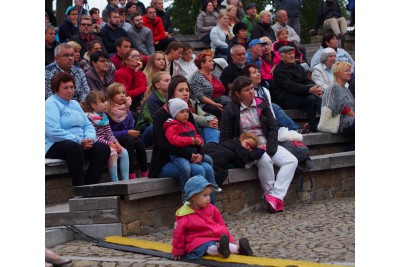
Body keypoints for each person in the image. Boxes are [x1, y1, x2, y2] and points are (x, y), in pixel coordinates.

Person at [220, 76, 298, 213]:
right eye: (246, 90)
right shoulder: (230, 109)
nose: (251, 92)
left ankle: (274, 196)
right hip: (247, 147)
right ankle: (272, 196)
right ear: (238, 94)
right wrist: (245, 147)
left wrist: (270, 147)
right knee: (266, 160)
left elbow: (273, 127)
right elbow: (226, 137)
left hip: (266, 142)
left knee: (291, 161)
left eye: (252, 88)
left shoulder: (261, 103)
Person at [148, 75, 217, 203]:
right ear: (172, 92)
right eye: (181, 90)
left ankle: (210, 210)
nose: (185, 93)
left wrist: (200, 154)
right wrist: (189, 155)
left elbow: (195, 136)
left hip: (188, 154)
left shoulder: (186, 112)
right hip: (166, 160)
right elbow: (163, 144)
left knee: (207, 166)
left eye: (187, 90)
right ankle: (193, 210)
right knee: (199, 169)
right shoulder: (161, 114)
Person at [45, 72, 111, 186]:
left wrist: (89, 138)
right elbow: (53, 132)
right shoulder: (51, 104)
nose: (70, 90)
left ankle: (90, 185)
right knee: (73, 148)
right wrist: (79, 140)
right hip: (54, 144)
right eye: (65, 88)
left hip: (80, 142)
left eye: (71, 87)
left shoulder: (75, 103)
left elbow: (87, 125)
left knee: (103, 149)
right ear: (56, 89)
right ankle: (79, 187)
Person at [172, 175, 253, 260]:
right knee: (207, 246)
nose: (208, 199)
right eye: (205, 195)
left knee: (224, 243)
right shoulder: (185, 215)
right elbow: (178, 235)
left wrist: (229, 239)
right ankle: (219, 250)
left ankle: (239, 249)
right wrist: (178, 251)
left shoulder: (212, 208)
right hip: (197, 241)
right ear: (193, 197)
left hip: (215, 236)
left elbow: (221, 224)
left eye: (209, 195)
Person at [164, 98, 221, 192]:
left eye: (187, 111)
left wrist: (199, 140)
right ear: (174, 114)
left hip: (192, 152)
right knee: (185, 168)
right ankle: (185, 191)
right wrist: (190, 140)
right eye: (181, 112)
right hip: (179, 155)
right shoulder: (171, 127)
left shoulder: (189, 124)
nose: (186, 114)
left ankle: (213, 183)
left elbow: (196, 134)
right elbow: (174, 140)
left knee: (209, 159)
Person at [243, 63, 309, 133]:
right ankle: (295, 129)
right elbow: (253, 107)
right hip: (253, 119)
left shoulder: (264, 90)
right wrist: (265, 105)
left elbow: (268, 108)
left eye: (258, 72)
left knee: (273, 106)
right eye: (254, 73)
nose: (258, 74)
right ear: (248, 77)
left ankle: (293, 129)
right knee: (273, 106)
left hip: (267, 117)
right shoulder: (246, 92)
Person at [82, 91, 129, 182]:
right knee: (113, 154)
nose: (106, 103)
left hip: (110, 143)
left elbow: (109, 133)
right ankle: (115, 181)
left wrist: (116, 142)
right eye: (103, 102)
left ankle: (126, 180)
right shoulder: (89, 118)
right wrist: (109, 144)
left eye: (106, 101)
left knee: (125, 153)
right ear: (94, 105)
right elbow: (95, 136)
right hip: (100, 144)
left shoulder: (104, 117)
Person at [273, 46, 322, 132]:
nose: (292, 56)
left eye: (293, 53)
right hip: (287, 98)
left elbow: (307, 81)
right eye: (289, 54)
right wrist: (309, 89)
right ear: (281, 57)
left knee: (312, 98)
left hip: (302, 94)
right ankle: (321, 122)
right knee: (312, 97)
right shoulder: (279, 70)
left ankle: (313, 128)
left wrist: (315, 87)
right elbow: (290, 86)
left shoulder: (298, 67)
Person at [107, 82, 149, 178]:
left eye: (123, 93)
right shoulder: (108, 112)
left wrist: (132, 132)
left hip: (127, 136)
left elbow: (130, 128)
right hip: (114, 139)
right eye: (118, 93)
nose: (122, 95)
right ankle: (131, 172)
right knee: (128, 140)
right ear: (111, 96)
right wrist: (127, 132)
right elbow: (109, 133)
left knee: (139, 142)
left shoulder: (127, 111)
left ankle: (144, 171)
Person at [190, 50, 231, 121]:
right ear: (202, 64)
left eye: (212, 60)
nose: (213, 63)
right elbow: (200, 97)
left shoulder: (214, 75)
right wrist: (215, 104)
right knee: (219, 108)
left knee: (231, 104)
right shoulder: (196, 78)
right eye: (210, 61)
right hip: (205, 104)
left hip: (221, 100)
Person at [321, 62, 354, 150]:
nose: (349, 73)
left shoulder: (345, 89)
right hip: (341, 121)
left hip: (350, 120)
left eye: (349, 71)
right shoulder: (334, 87)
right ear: (338, 73)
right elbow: (343, 108)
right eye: (346, 71)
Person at [136, 71, 171, 148]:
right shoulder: (152, 100)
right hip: (146, 135)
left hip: (165, 130)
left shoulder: (171, 97)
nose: (170, 82)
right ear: (157, 85)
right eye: (166, 80)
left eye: (170, 80)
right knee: (154, 127)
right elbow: (154, 121)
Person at [114, 48, 147, 115]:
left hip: (138, 102)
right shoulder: (120, 73)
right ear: (126, 61)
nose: (137, 58)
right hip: (124, 104)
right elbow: (126, 94)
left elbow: (141, 92)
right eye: (134, 56)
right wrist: (145, 87)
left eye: (138, 56)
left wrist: (137, 72)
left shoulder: (141, 74)